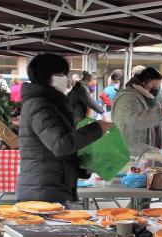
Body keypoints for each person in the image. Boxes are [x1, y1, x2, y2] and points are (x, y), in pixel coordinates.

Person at [17, 53, 109, 204]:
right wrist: (97, 128)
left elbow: (54, 152)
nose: (65, 79)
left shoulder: (51, 103)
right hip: (42, 191)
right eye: (62, 74)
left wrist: (81, 169)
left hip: (50, 187)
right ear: (48, 76)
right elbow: (60, 145)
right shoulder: (40, 104)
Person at [112, 67, 162, 158]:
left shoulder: (152, 98)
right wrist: (161, 113)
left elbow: (158, 124)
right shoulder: (127, 97)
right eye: (154, 86)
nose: (156, 90)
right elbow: (133, 120)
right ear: (143, 82)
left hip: (148, 153)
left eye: (158, 87)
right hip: (130, 154)